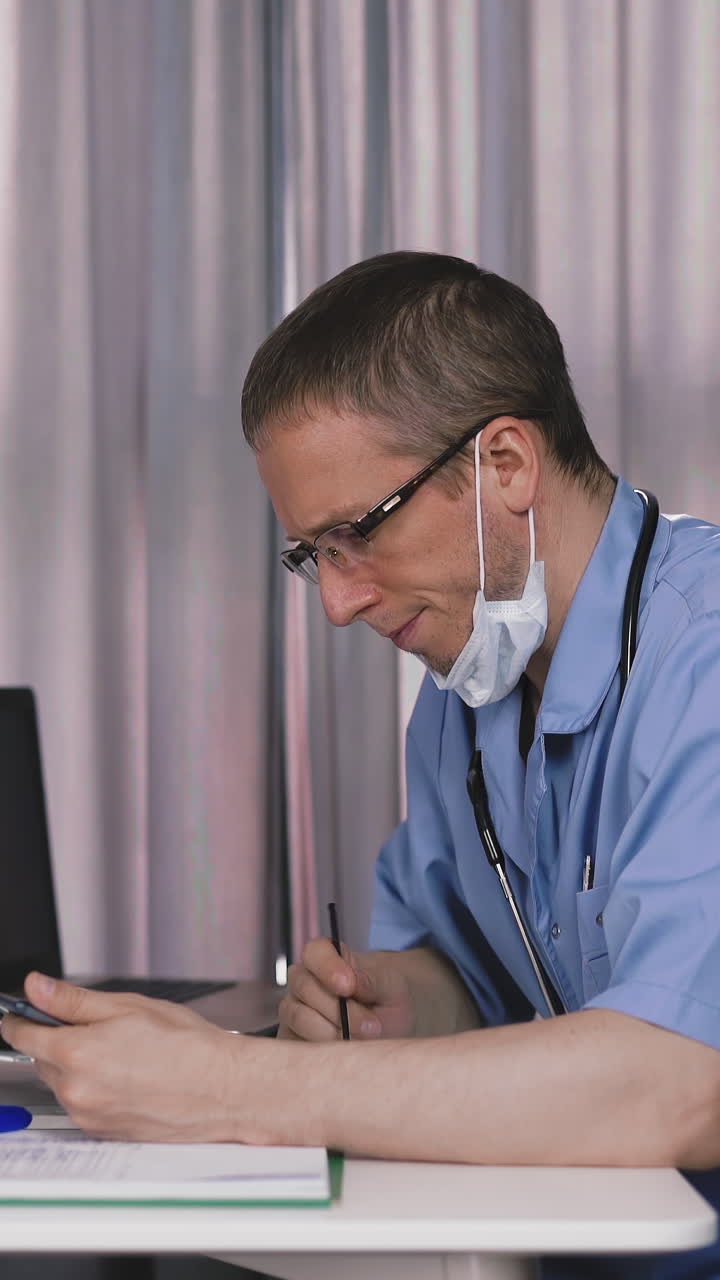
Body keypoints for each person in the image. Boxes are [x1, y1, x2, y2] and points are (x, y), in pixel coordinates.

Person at [4, 251, 720, 1279]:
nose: (337, 603)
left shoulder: (705, 657)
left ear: (506, 464)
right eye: (313, 555)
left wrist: (226, 1081)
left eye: (355, 535)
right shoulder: (461, 692)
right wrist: (395, 1000)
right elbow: (477, 973)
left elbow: (682, 1079)